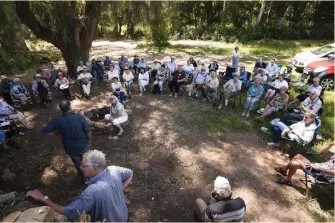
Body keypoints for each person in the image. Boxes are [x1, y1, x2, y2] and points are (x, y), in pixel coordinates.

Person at [26, 150, 133, 222]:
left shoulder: (92, 191)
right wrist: (119, 188)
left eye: (84, 166)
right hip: (123, 217)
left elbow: (68, 212)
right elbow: (130, 173)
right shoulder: (114, 170)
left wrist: (43, 198)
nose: (80, 167)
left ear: (95, 167)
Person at [43, 99, 92, 182]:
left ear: (61, 109)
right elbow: (88, 132)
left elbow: (45, 130)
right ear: (70, 107)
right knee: (88, 162)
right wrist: (89, 141)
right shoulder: (79, 117)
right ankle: (91, 176)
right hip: (84, 145)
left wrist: (56, 133)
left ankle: (85, 180)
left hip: (70, 148)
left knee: (79, 164)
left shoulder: (57, 120)